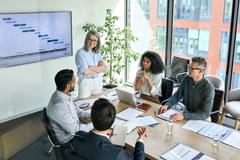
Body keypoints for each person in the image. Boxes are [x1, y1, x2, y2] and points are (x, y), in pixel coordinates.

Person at [71, 98, 147, 160]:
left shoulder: (77, 136)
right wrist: (140, 140)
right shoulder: (117, 154)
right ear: (113, 120)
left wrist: (108, 142)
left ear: (92, 117)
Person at [158, 56, 215, 121]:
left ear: (201, 71)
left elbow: (205, 114)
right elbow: (177, 96)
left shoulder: (208, 88)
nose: (188, 69)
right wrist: (167, 105)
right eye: (189, 66)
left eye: (192, 68)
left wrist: (184, 116)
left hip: (201, 118)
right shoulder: (186, 79)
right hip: (186, 114)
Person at [47, 69, 91, 145]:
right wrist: (96, 124)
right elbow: (74, 130)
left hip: (75, 129)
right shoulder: (59, 105)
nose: (76, 83)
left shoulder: (63, 94)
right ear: (68, 86)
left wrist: (92, 116)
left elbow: (77, 111)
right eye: (74, 81)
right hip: (70, 140)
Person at [75, 30, 106, 98]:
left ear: (97, 42)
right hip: (86, 82)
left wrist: (91, 67)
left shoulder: (97, 52)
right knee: (84, 105)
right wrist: (98, 68)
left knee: (97, 104)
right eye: (90, 39)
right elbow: (86, 72)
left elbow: (104, 68)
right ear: (87, 39)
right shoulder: (80, 53)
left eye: (95, 40)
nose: (92, 42)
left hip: (97, 80)